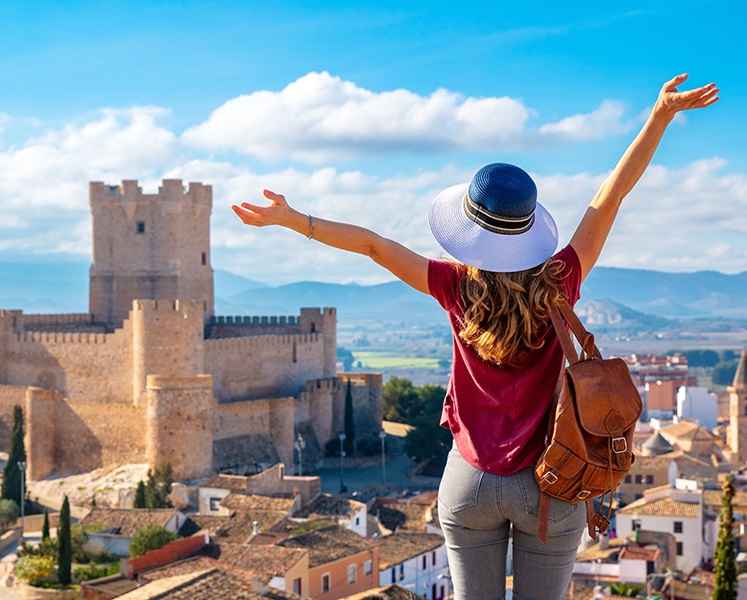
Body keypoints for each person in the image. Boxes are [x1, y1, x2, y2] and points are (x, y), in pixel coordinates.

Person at [232, 74, 718, 599]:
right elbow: (611, 195)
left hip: (468, 483)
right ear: (531, 228)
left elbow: (373, 245)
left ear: (470, 230)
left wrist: (291, 219)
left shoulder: (454, 285)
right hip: (550, 483)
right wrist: (660, 116)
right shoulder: (563, 279)